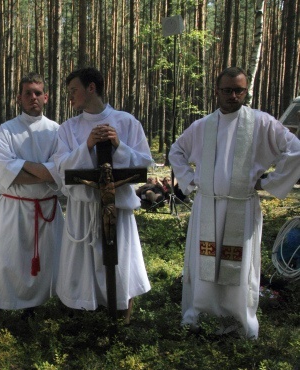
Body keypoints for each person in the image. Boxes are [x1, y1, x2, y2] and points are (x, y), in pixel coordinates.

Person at [169, 67, 300, 338]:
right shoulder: (203, 126)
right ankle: (198, 315)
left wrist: (268, 182)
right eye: (227, 90)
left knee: (239, 268)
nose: (233, 95)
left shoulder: (262, 123)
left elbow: (295, 149)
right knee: (202, 262)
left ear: (246, 92)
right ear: (216, 92)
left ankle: (239, 321)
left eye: (239, 90)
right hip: (207, 206)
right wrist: (191, 181)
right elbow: (176, 151)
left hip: (242, 206)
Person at [53, 67, 153, 323]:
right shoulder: (68, 128)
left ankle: (122, 313)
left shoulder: (127, 122)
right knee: (81, 265)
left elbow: (143, 164)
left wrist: (118, 145)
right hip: (83, 210)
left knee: (120, 261)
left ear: (91, 88)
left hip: (116, 209)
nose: (70, 97)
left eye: (73, 90)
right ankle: (82, 314)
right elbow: (60, 167)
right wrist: (86, 146)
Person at [0, 72, 64, 328]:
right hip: (13, 207)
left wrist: (23, 169)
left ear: (46, 97)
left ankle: (32, 309)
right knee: (3, 261)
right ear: (19, 97)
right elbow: (7, 171)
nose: (33, 98)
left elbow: (60, 169)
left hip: (46, 209)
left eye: (38, 93)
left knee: (47, 263)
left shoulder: (57, 131)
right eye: (27, 93)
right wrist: (44, 171)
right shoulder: (7, 130)